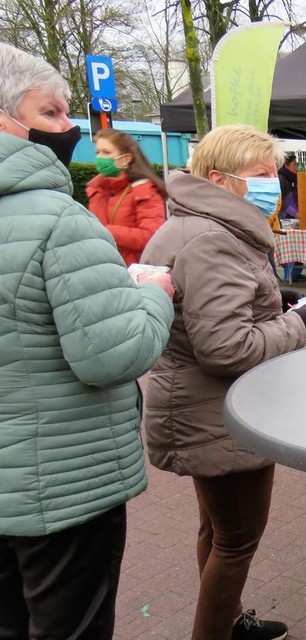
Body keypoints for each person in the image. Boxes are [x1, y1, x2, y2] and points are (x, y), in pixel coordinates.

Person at [0, 43, 175, 639]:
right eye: (49, 112)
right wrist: (154, 294)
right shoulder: (57, 218)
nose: (69, 129)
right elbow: (114, 354)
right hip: (63, 485)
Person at [142, 124, 306, 640]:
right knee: (237, 540)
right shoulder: (212, 238)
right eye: (262, 174)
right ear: (221, 179)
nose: (275, 183)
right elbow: (226, 349)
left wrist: (275, 300)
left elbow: (222, 308)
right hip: (216, 411)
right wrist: (300, 324)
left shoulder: (200, 224)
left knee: (219, 532)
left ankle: (228, 624)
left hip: (203, 408)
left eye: (275, 173)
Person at [86, 128, 167, 266]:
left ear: (126, 159)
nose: (100, 157)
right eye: (97, 152)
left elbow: (150, 236)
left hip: (132, 270)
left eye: (106, 152)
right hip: (103, 266)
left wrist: (105, 231)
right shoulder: (97, 189)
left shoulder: (144, 191)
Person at [278, 152, 305, 282]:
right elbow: (283, 202)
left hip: (293, 215)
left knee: (297, 245)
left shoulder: (291, 179)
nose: (296, 167)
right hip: (287, 218)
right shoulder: (283, 180)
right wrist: (296, 213)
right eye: (294, 164)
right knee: (291, 247)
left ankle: (295, 273)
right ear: (286, 166)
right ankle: (290, 274)